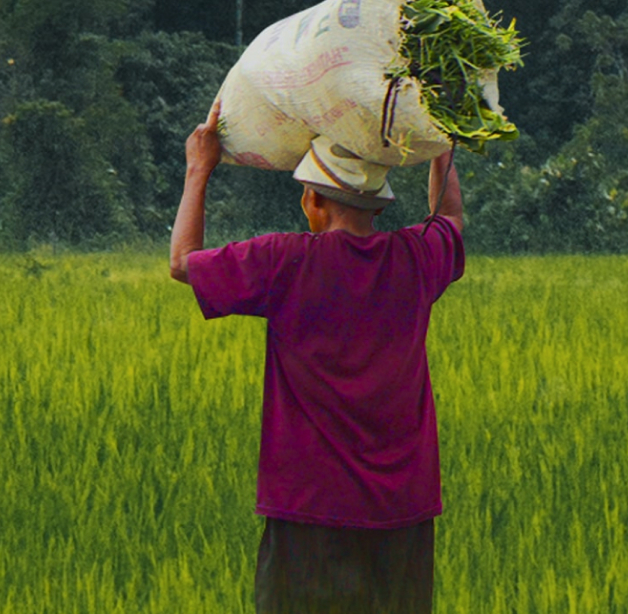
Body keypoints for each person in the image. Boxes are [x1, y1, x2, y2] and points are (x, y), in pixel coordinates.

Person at [170, 99, 465, 614]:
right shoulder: (416, 259)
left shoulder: (283, 261)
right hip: (405, 511)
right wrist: (442, 147)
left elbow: (182, 264)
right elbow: (451, 217)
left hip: (309, 510)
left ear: (313, 201)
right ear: (377, 204)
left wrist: (199, 167)